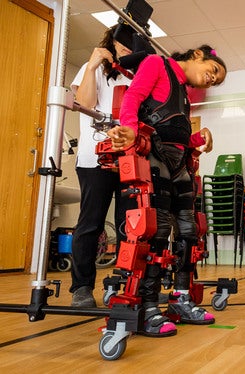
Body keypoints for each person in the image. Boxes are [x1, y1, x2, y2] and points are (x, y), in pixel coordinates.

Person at [108, 44, 227, 337]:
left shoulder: (184, 93)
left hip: (178, 164)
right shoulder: (155, 64)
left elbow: (176, 132)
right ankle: (148, 308)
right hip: (155, 157)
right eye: (213, 72)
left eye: (217, 80)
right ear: (198, 56)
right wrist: (130, 129)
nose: (212, 80)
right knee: (157, 231)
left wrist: (200, 137)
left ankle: (181, 299)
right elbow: (134, 97)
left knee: (189, 232)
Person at [69, 25, 136, 308]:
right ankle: (82, 288)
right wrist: (95, 63)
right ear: (112, 43)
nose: (127, 51)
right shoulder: (91, 67)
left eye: (132, 48)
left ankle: (123, 283)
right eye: (122, 46)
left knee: (128, 225)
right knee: (90, 223)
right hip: (94, 157)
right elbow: (84, 103)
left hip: (129, 159)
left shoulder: (134, 76)